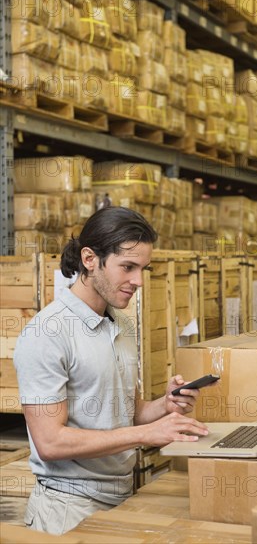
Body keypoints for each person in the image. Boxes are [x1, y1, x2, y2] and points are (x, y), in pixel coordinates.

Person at [13, 206, 208, 535]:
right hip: (68, 510)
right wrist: (145, 435)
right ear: (90, 259)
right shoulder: (47, 333)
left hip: (121, 498)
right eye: (128, 267)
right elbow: (50, 442)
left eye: (143, 268)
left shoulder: (122, 324)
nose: (138, 281)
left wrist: (165, 405)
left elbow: (129, 413)